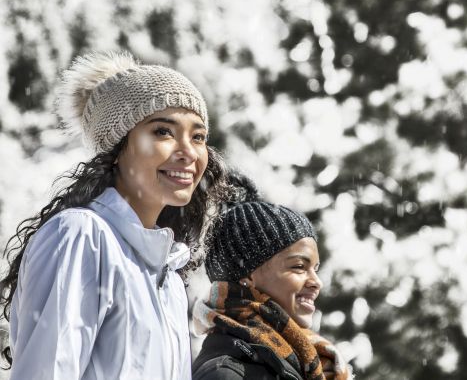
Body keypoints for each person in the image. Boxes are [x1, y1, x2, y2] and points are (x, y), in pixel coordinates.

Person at [0, 51, 230, 379]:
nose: (189, 152)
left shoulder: (170, 277)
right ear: (116, 147)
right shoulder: (81, 236)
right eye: (163, 131)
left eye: (198, 136)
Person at [191, 176, 351, 380]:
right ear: (247, 275)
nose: (316, 282)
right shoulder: (226, 373)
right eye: (299, 267)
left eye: (315, 269)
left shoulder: (308, 359)